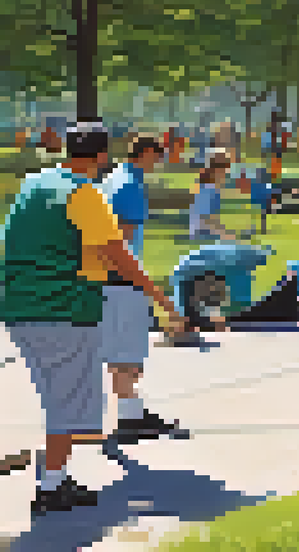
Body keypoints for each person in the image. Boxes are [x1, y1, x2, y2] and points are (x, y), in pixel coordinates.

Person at [2, 120, 188, 514]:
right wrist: (164, 302)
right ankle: (52, 488)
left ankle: (56, 474)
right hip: (63, 309)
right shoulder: (84, 195)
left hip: (19, 308)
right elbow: (120, 258)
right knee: (68, 404)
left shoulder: (34, 185)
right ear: (103, 156)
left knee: (59, 397)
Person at [98, 134, 187, 444]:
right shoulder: (130, 186)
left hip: (107, 280)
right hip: (122, 280)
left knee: (122, 353)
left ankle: (131, 412)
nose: (160, 161)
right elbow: (120, 240)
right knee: (129, 356)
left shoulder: (111, 179)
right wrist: (143, 284)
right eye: (158, 154)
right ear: (146, 153)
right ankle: (129, 419)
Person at [189, 152, 237, 242]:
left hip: (207, 232)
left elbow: (212, 220)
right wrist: (224, 233)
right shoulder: (207, 190)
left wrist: (224, 231)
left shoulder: (213, 189)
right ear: (217, 170)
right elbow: (204, 221)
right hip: (201, 234)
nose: (226, 174)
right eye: (225, 170)